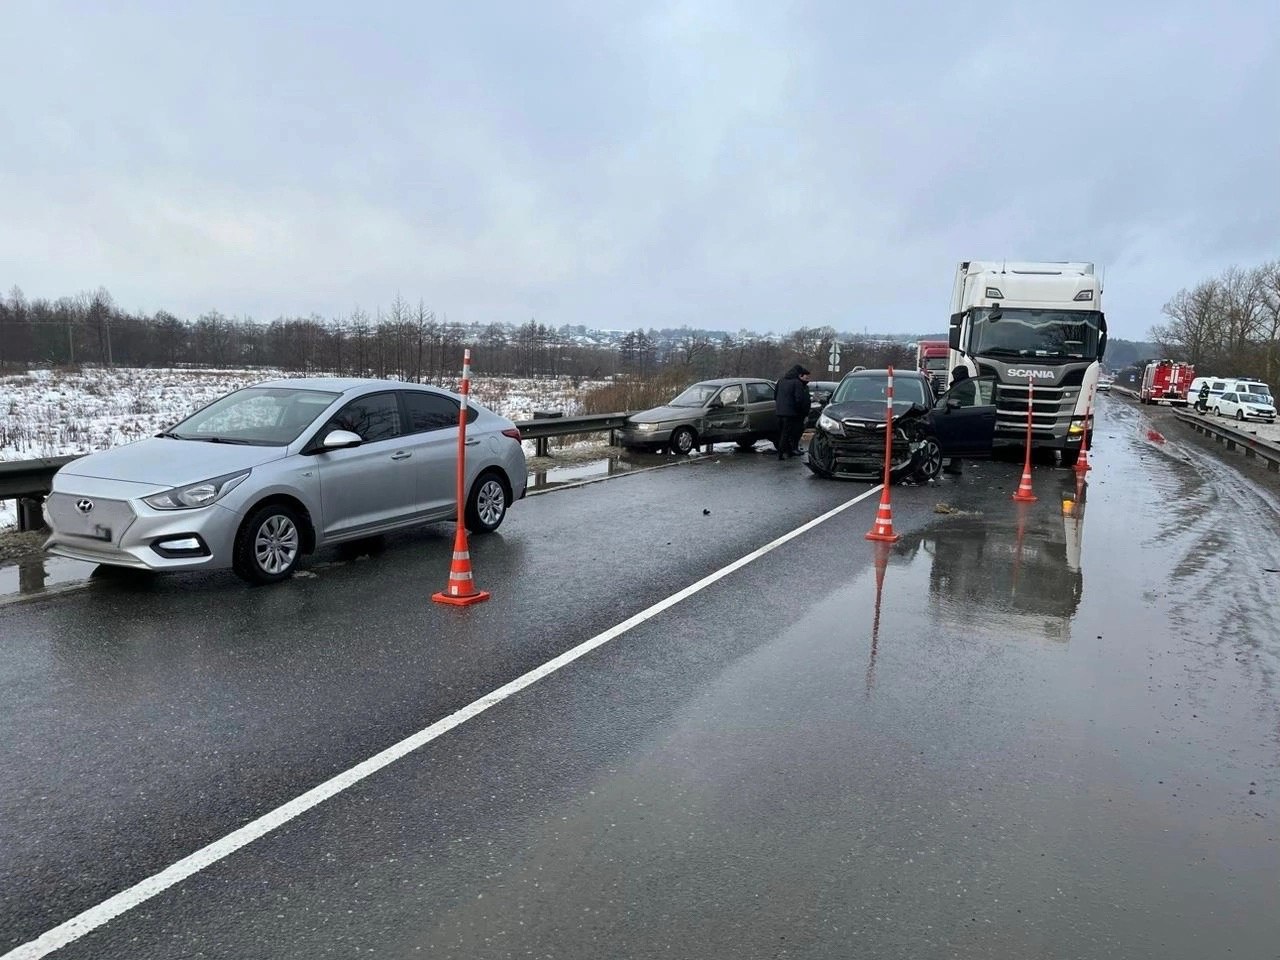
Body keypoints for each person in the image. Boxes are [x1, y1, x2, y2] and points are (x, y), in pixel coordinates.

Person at [774, 365, 812, 460]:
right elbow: (799, 399)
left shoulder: (780, 381)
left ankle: (786, 451)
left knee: (781, 432)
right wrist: (798, 410)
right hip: (790, 413)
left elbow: (775, 396)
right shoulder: (797, 383)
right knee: (786, 433)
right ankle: (781, 453)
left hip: (779, 412)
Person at [942, 365, 970, 475]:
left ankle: (956, 466)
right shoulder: (963, 384)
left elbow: (956, 397)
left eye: (955, 375)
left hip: (961, 416)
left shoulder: (964, 385)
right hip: (957, 414)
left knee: (958, 441)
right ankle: (954, 464)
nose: (954, 377)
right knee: (956, 440)